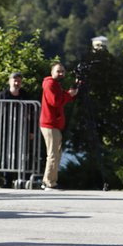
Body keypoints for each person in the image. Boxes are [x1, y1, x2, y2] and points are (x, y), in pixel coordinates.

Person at [40, 62, 78, 190]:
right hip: (50, 123)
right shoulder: (50, 83)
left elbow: (61, 98)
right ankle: (48, 182)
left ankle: (51, 181)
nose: (61, 73)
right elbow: (55, 101)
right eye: (58, 71)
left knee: (56, 154)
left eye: (63, 71)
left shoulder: (55, 84)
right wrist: (69, 95)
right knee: (52, 154)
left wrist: (71, 93)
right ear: (52, 72)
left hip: (54, 124)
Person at [0, 72, 33, 187]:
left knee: (22, 153)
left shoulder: (25, 95)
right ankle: (7, 179)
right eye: (15, 80)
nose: (17, 83)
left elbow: (31, 114)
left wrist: (31, 131)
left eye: (19, 81)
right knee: (6, 154)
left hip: (22, 130)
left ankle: (21, 179)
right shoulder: (2, 95)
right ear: (9, 81)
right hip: (5, 130)